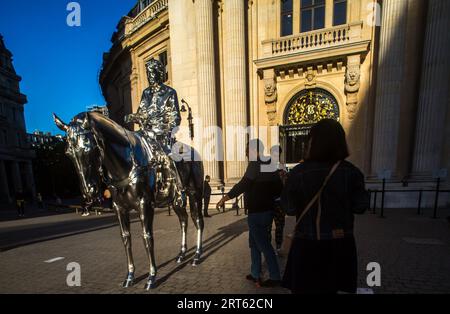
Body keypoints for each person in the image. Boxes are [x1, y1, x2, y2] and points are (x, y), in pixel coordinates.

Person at [281, 119, 369, 294]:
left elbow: (289, 209)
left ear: (312, 142)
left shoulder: (298, 172)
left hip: (306, 244)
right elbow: (361, 207)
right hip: (339, 244)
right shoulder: (352, 172)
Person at [217, 139, 283, 287]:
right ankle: (255, 273)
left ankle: (275, 276)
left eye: (247, 151)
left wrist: (225, 198)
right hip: (267, 211)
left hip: (257, 213)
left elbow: (243, 185)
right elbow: (278, 189)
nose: (246, 154)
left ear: (254, 151)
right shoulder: (270, 165)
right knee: (254, 244)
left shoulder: (255, 164)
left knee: (264, 245)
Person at [124, 58, 184, 198]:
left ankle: (179, 190)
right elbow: (142, 112)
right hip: (146, 132)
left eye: (152, 72)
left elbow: (176, 117)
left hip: (162, 133)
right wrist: (133, 116)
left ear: (159, 73)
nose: (150, 76)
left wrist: (167, 132)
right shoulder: (146, 93)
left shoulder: (170, 92)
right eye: (148, 73)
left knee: (168, 158)